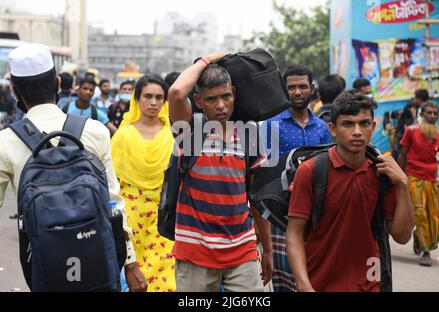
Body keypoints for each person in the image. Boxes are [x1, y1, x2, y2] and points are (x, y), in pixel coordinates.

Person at [0, 43, 147, 292]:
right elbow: (114, 204)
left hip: (45, 267)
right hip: (98, 264)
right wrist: (131, 264)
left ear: (14, 91)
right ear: (58, 84)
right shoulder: (96, 131)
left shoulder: (5, 142)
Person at [286, 89, 415, 292]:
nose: (357, 131)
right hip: (320, 282)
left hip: (370, 282)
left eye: (364, 123)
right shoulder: (310, 171)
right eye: (348, 124)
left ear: (373, 127)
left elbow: (402, 236)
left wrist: (403, 184)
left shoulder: (383, 174)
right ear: (332, 129)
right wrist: (302, 283)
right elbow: (294, 232)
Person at [168, 53, 273, 292]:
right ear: (198, 101)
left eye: (226, 96)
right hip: (195, 251)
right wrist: (209, 59)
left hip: (242, 249)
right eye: (211, 99)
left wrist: (266, 250)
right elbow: (175, 93)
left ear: (234, 93)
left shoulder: (250, 135)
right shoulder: (189, 132)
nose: (221, 105)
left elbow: (256, 199)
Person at [261, 65, 332, 292]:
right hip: (282, 215)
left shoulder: (322, 127)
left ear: (312, 89)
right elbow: (262, 174)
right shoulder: (271, 125)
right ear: (284, 90)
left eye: (303, 86)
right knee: (284, 281)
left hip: (317, 214)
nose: (298, 92)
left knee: (314, 275)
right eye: (291, 87)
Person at [111, 75, 176, 291]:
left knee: (168, 278)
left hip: (165, 216)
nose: (154, 102)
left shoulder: (173, 135)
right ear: (137, 99)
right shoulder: (123, 136)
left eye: (159, 97)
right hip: (132, 218)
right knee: (133, 277)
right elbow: (112, 183)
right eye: (148, 96)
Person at [398, 101, 439, 266]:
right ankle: (426, 252)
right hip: (413, 179)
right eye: (429, 113)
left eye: (435, 113)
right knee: (419, 214)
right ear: (422, 114)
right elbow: (402, 154)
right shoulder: (411, 131)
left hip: (431, 181)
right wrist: (397, 176)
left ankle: (419, 239)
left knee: (431, 217)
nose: (432, 116)